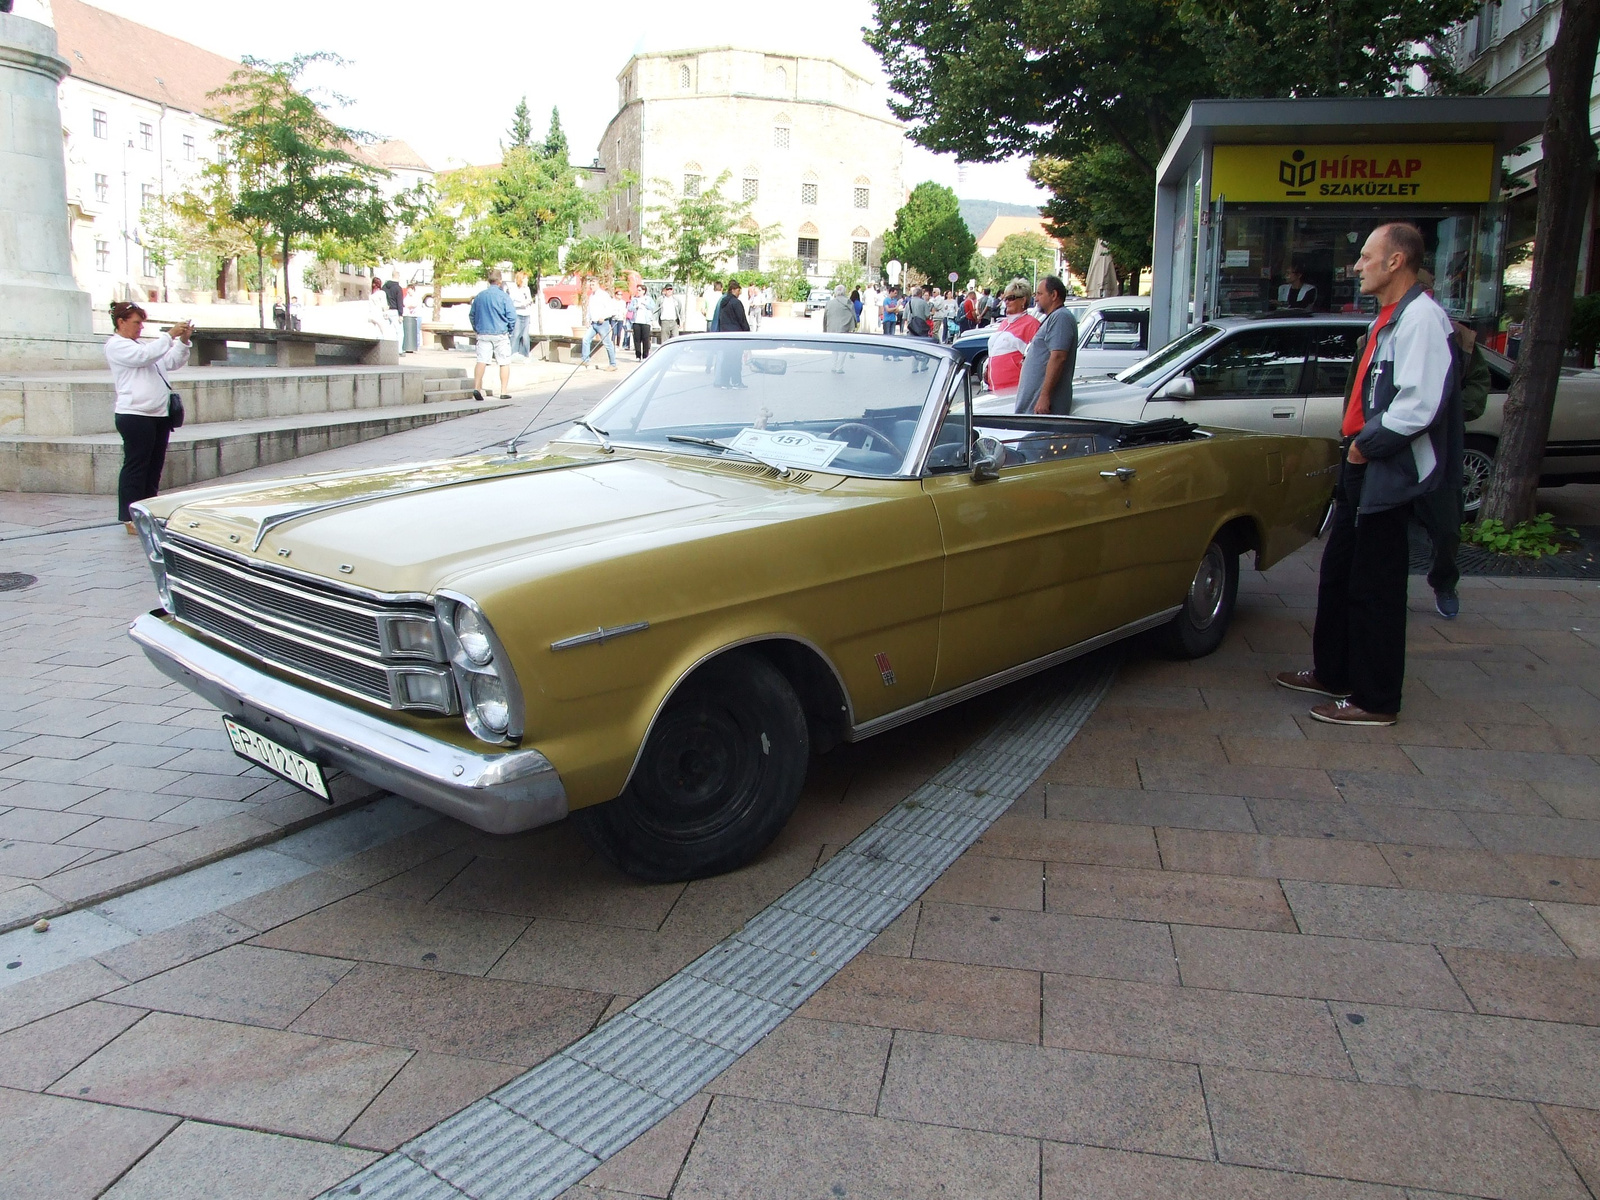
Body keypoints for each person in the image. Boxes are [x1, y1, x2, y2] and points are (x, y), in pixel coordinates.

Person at [1276, 222, 1459, 727]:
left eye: (1366, 256)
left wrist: (1366, 445)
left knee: (1375, 585)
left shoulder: (1421, 319)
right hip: (1364, 462)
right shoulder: (1391, 318)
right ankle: (1334, 672)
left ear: (1396, 261)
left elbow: (1420, 403)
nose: (1356, 266)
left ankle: (1376, 700)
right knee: (1339, 572)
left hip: (1387, 469)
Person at [1412, 267, 1491, 619]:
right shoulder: (1381, 331)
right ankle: (1388, 590)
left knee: (1446, 527)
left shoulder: (1458, 338)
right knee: (1390, 531)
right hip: (1398, 447)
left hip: (1441, 447)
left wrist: (1459, 408)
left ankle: (1444, 581)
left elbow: (1477, 384)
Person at [106, 301, 190, 534]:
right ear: (121, 322)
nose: (140, 327)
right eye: (136, 322)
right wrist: (169, 335)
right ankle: (129, 515)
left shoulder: (142, 346)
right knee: (136, 466)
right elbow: (144, 356)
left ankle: (148, 510)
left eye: (142, 323)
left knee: (154, 466)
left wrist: (182, 342)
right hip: (135, 415)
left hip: (158, 414)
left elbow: (170, 362)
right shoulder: (117, 346)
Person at [1014, 275, 1078, 414]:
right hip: (1033, 406)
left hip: (1043, 409)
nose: (1036, 298)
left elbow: (1058, 357)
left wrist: (1044, 396)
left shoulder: (1061, 317)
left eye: (1039, 294)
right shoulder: (1053, 317)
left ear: (1054, 295)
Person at [985, 278, 1041, 395]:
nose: (1006, 302)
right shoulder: (1005, 323)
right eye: (1005, 298)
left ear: (1023, 300)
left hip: (1014, 391)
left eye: (1011, 298)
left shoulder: (1031, 324)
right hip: (995, 389)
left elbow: (1036, 362)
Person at [469, 270, 518, 400]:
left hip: (483, 333)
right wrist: (510, 329)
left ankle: (477, 388)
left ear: (488, 281)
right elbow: (512, 316)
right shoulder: (504, 297)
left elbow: (472, 315)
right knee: (504, 362)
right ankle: (503, 391)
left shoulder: (480, 296)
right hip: (500, 333)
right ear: (500, 281)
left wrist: (477, 328)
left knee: (481, 360)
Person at [714, 279, 749, 389]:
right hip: (737, 335)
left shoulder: (723, 302)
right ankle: (736, 381)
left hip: (725, 334)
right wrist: (747, 333)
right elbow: (742, 320)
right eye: (739, 291)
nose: (739, 293)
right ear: (733, 290)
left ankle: (725, 382)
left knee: (727, 359)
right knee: (736, 360)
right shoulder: (736, 303)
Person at [580, 279, 618, 371]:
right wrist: (588, 319)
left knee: (607, 343)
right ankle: (585, 359)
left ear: (598, 285)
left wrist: (604, 317)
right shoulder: (592, 296)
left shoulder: (603, 295)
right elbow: (589, 309)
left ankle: (613, 364)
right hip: (594, 323)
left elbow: (610, 308)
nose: (591, 286)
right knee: (586, 339)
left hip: (602, 323)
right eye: (590, 284)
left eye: (593, 284)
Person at [509, 270, 534, 358]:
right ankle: (511, 353)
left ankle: (526, 354)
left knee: (525, 335)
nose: (527, 280)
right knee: (516, 334)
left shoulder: (527, 289)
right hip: (518, 314)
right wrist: (522, 304)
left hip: (526, 314)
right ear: (521, 279)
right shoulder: (514, 289)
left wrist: (529, 302)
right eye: (525, 278)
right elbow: (511, 303)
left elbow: (529, 299)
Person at [631, 282, 657, 360]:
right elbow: (630, 308)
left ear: (643, 291)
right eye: (637, 290)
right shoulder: (634, 299)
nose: (637, 292)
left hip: (646, 322)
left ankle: (645, 355)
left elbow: (653, 307)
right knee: (637, 339)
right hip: (636, 321)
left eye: (639, 290)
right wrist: (636, 307)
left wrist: (645, 304)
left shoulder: (648, 299)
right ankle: (638, 355)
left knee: (646, 339)